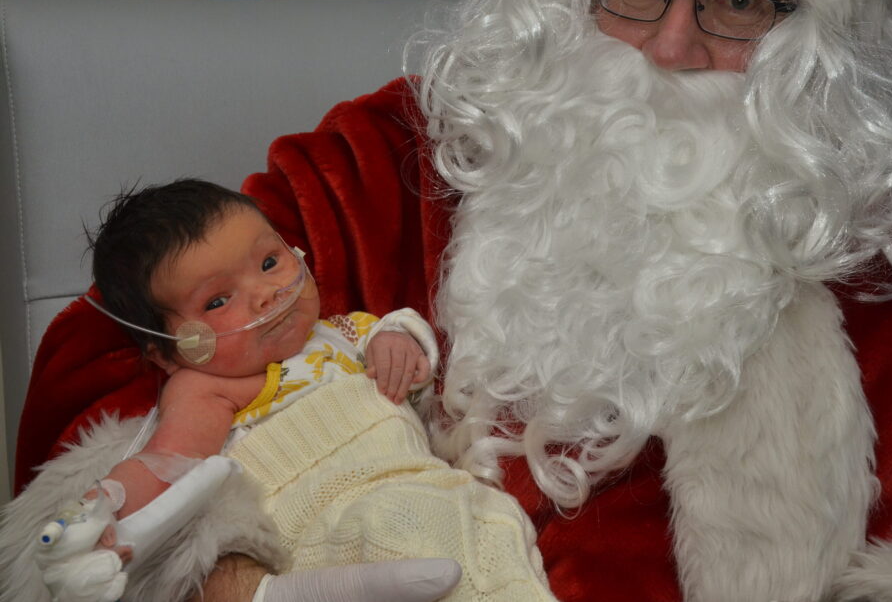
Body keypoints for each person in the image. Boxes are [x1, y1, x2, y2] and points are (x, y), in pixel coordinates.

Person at [6, 0, 892, 601]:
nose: (666, 45)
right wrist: (234, 574)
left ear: (831, 45)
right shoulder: (417, 155)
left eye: (739, 2)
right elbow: (107, 356)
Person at [10, 180, 555, 602]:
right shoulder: (209, 386)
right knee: (397, 528)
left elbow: (411, 351)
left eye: (270, 263)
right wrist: (103, 505)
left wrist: (397, 342)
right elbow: (167, 461)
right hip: (321, 524)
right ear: (166, 350)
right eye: (218, 302)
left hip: (423, 481)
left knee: (496, 536)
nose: (267, 296)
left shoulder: (346, 332)